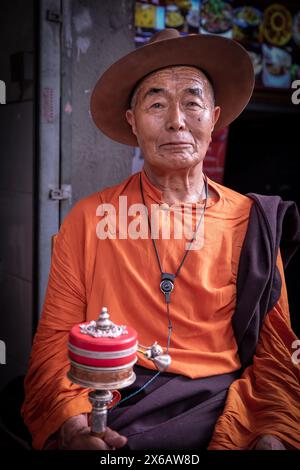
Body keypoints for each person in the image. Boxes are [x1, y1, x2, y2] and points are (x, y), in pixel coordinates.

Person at [22, 29, 300, 451]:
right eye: (156, 104)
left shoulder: (251, 219)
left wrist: (272, 432)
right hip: (115, 399)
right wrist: (74, 425)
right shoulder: (89, 218)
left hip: (224, 403)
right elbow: (56, 340)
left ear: (214, 117)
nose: (176, 120)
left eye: (192, 102)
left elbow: (277, 351)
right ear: (133, 121)